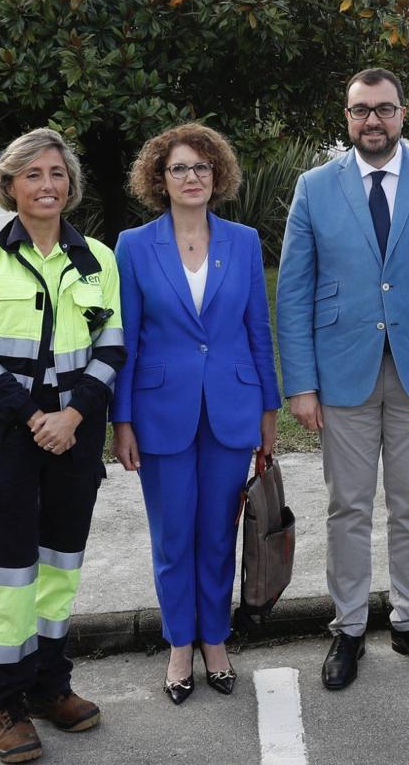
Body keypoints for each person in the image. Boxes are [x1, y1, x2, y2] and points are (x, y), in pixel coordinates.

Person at [276, 68, 409, 690]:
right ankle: (347, 628)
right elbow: (293, 294)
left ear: (402, 116)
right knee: (348, 507)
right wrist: (301, 383)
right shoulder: (315, 188)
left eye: (385, 110)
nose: (373, 120)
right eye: (361, 110)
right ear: (347, 117)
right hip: (343, 374)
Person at [0, 128, 125, 762]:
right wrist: (37, 418)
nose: (46, 184)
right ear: (10, 186)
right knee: (8, 576)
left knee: (58, 569)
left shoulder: (98, 259)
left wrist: (75, 416)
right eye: (32, 174)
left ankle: (52, 686)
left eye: (56, 172)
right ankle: (6, 701)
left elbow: (112, 349)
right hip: (9, 440)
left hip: (75, 441)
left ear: (70, 184)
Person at [111, 123, 280, 704]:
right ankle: (179, 643)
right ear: (160, 178)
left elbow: (257, 330)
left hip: (232, 411)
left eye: (202, 168)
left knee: (218, 536)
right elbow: (126, 340)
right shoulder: (133, 246)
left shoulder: (244, 240)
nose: (192, 177)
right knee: (173, 539)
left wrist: (268, 409)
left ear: (218, 176)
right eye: (180, 168)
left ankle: (216, 640)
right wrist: (122, 419)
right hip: (160, 415)